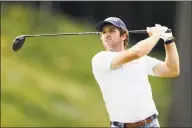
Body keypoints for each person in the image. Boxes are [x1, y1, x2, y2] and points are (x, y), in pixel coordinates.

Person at [91, 17, 180, 128]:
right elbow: (136, 53)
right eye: (103, 32)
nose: (106, 34)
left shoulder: (142, 59)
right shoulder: (100, 59)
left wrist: (169, 40)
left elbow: (172, 70)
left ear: (123, 36)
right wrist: (156, 35)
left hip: (151, 123)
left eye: (112, 30)